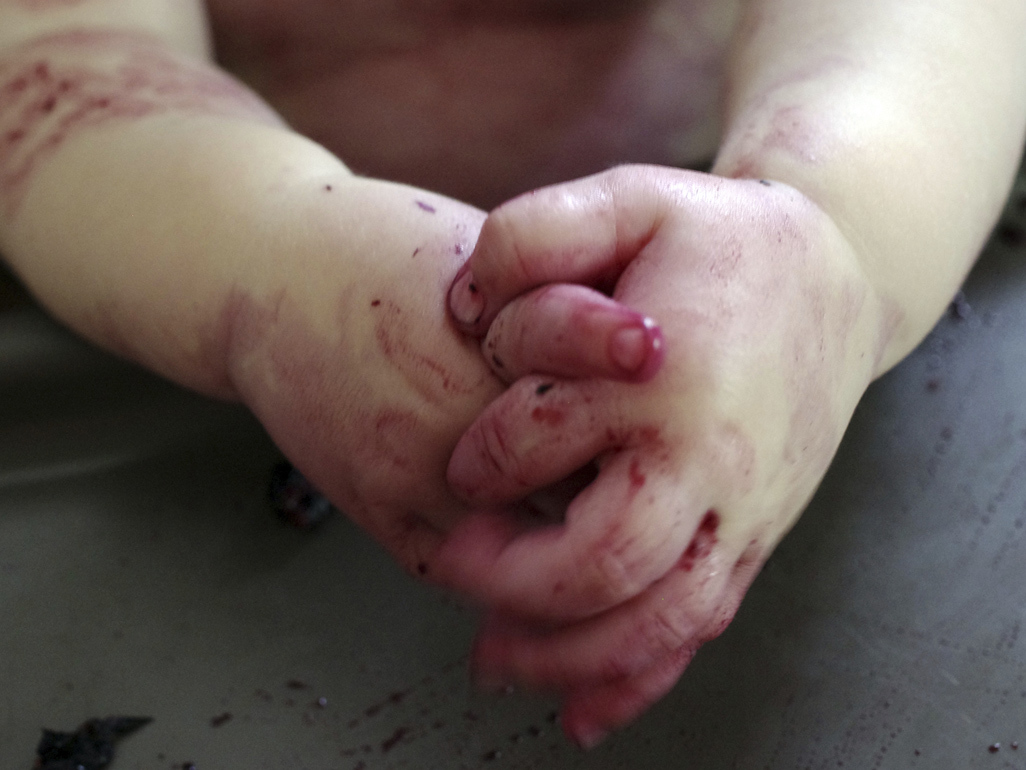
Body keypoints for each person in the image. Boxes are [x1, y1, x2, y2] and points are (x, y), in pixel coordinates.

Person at [1, 0, 1024, 749]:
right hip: (189, 369)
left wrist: (829, 225)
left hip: (762, 265)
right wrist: (263, 263)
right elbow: (49, 60)